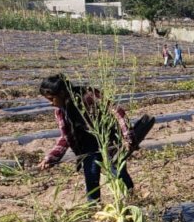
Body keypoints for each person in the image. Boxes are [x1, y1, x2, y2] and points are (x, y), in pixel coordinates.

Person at [38, 74, 136, 202]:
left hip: (108, 138)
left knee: (117, 171)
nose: (50, 103)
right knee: (91, 175)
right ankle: (93, 205)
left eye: (52, 99)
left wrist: (127, 136)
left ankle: (131, 199)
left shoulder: (88, 95)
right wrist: (51, 157)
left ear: (62, 93)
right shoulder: (61, 111)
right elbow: (66, 136)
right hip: (87, 144)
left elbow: (116, 111)